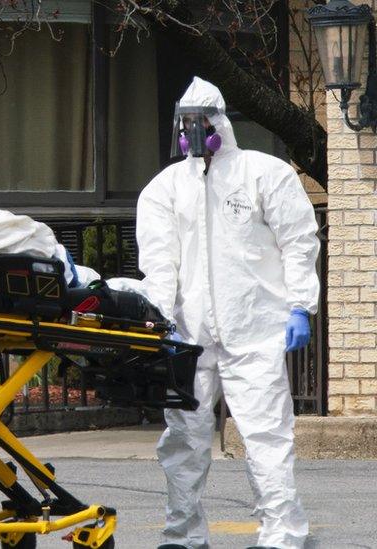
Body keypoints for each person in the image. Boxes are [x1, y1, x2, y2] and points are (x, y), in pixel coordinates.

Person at [137, 76, 319, 549]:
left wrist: (301, 304)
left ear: (220, 122)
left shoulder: (264, 174)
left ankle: (282, 532)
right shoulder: (165, 189)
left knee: (265, 436)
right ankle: (183, 534)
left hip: (255, 328)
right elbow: (159, 263)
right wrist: (159, 321)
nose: (193, 132)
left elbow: (299, 242)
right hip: (188, 333)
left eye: (201, 122)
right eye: (186, 123)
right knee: (183, 440)